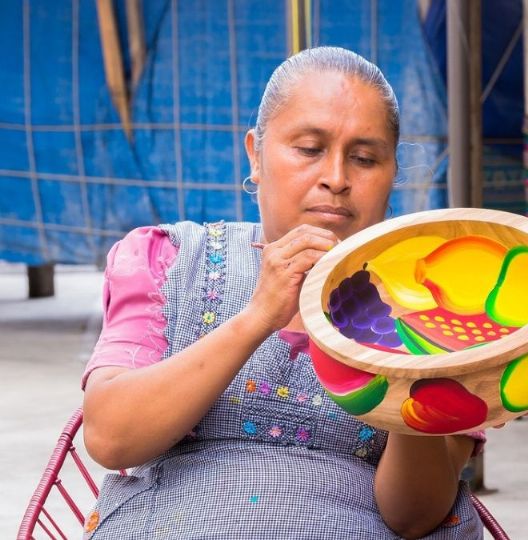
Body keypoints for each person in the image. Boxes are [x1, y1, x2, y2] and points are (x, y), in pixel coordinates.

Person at [81, 46, 485, 539]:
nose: (335, 178)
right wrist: (258, 317)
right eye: (310, 149)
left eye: (364, 158)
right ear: (255, 154)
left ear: (391, 174)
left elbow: (414, 516)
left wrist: (406, 363)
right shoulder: (167, 259)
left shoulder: (441, 301)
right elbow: (111, 438)